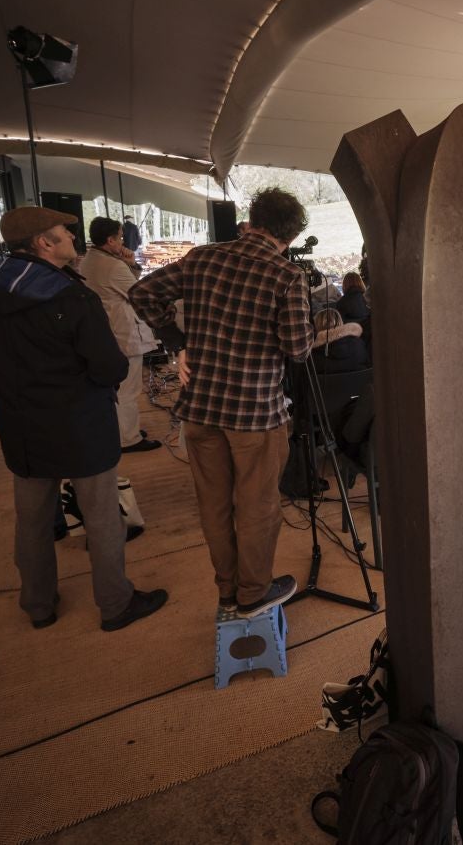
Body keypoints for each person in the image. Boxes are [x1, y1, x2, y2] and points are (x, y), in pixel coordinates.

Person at [0, 206, 167, 631]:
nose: (70, 236)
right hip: (80, 424)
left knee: (33, 521)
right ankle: (116, 604)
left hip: (20, 425)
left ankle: (38, 605)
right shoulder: (71, 297)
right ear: (44, 242)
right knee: (101, 519)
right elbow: (110, 369)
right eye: (63, 230)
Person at [130, 187, 313, 619]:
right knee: (257, 506)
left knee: (214, 505)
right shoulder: (286, 276)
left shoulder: (201, 258)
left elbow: (141, 294)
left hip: (199, 408)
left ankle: (227, 591)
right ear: (290, 234)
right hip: (256, 413)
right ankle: (252, 593)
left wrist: (179, 344)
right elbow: (298, 349)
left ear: (252, 218)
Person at [80, 217, 162, 454]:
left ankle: (120, 430)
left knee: (115, 388)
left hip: (107, 331)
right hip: (124, 333)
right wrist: (130, 263)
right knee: (128, 389)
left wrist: (127, 263)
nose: (124, 241)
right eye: (121, 237)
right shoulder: (113, 266)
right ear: (110, 240)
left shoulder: (89, 260)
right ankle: (128, 438)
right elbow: (140, 293)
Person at [310, 308, 369, 374]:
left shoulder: (310, 355)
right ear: (340, 322)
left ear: (316, 325)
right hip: (360, 383)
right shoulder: (360, 345)